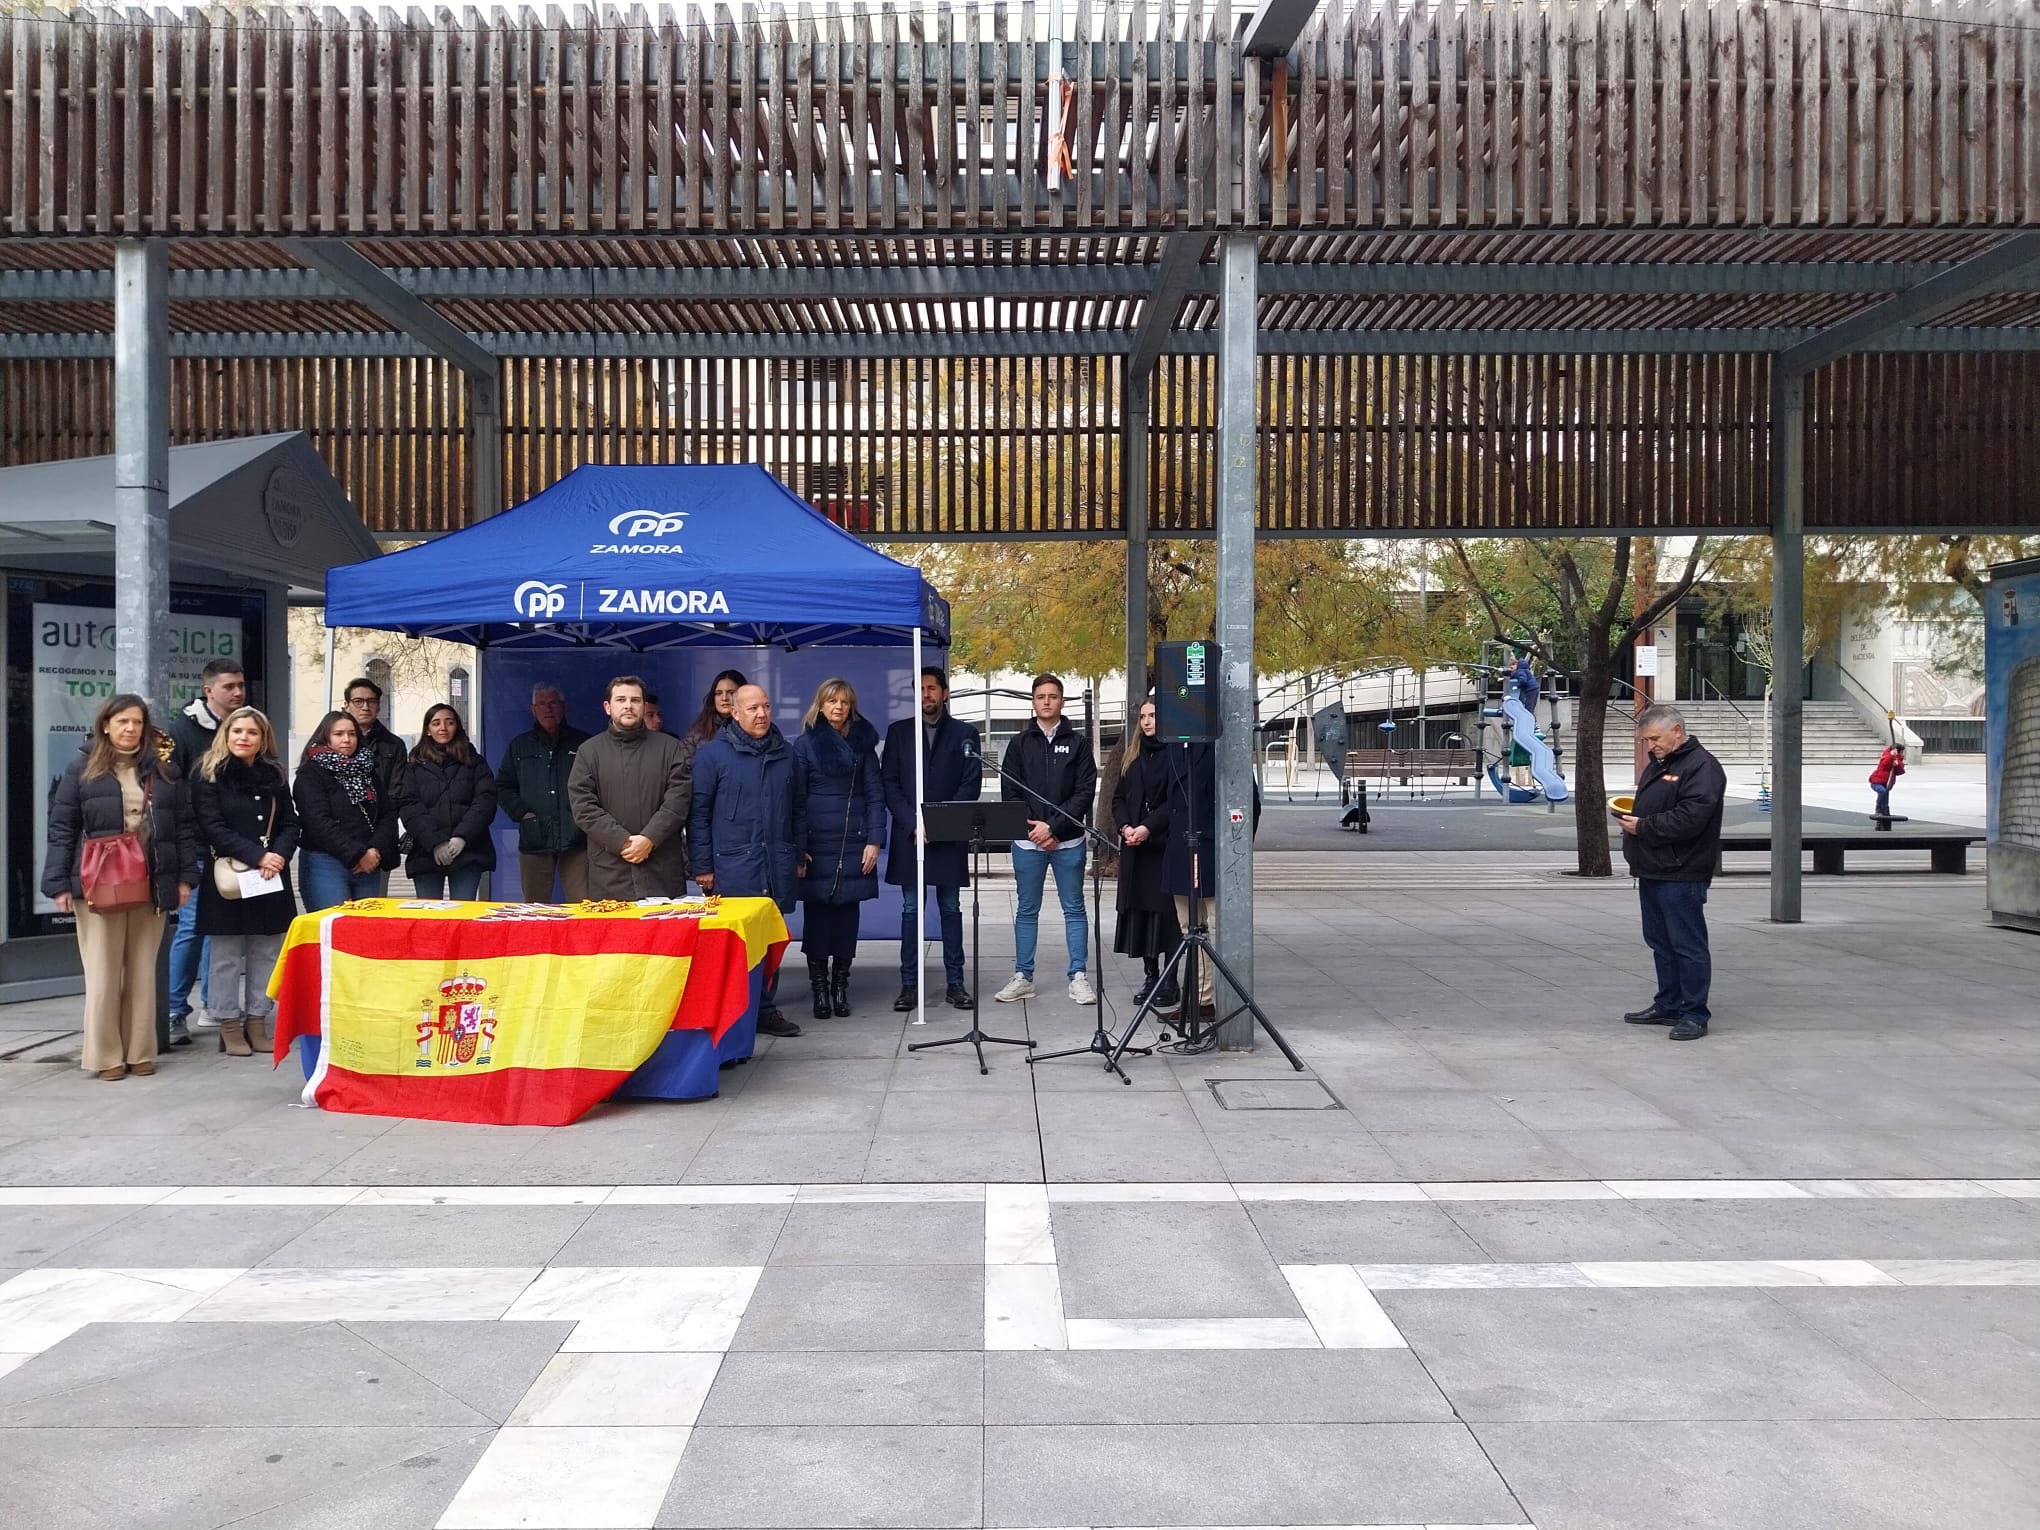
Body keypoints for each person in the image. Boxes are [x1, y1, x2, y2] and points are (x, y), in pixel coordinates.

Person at [41, 695, 199, 1080]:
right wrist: (59, 884)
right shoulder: (82, 768)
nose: (130, 729)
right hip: (97, 885)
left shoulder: (162, 770)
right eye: (122, 721)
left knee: (143, 970)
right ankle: (106, 1055)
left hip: (151, 882)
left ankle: (140, 1050)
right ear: (106, 725)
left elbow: (182, 827)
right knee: (104, 972)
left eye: (137, 722)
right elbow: (62, 829)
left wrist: (184, 878)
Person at [689, 683, 808, 1038]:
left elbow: (798, 809)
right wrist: (702, 865)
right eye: (753, 708)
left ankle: (765, 1009)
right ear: (734, 713)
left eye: (766, 707)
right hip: (733, 867)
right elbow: (698, 815)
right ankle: (739, 1013)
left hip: (777, 862)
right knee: (738, 945)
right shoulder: (712, 756)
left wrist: (798, 853)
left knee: (770, 940)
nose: (761, 714)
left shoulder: (786, 754)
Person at [189, 706, 301, 1059]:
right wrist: (257, 856)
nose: (243, 737)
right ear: (226, 734)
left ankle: (257, 1021)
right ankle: (229, 1026)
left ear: (262, 738)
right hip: (231, 876)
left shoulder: (274, 776)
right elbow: (212, 826)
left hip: (269, 876)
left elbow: (290, 823)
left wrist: (279, 855)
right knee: (225, 956)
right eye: (236, 731)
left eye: (251, 732)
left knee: (266, 952)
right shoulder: (209, 774)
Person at [1616, 703, 1727, 1042]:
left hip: (1682, 869)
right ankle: (1669, 1002)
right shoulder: (1660, 764)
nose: (1651, 745)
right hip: (1652, 866)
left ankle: (1694, 1013)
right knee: (1660, 941)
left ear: (1677, 731)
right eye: (1647, 740)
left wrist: (1644, 827)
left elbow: (1692, 817)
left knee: (1687, 944)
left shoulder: (1702, 766)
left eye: (1655, 738)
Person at [994, 674, 1098, 1008]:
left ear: (1062, 701)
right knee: (1026, 910)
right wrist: (1034, 831)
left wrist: (1052, 828)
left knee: (1074, 909)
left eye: (1053, 696)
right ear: (1033, 702)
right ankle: (1023, 976)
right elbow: (1010, 791)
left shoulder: (1079, 744)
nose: (1047, 702)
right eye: (1041, 696)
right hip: (1028, 843)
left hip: (1068, 843)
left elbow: (1084, 791)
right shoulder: (1019, 744)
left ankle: (1078, 976)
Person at [881, 666, 981, 1012]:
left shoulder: (966, 733)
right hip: (912, 839)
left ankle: (956, 983)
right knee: (911, 910)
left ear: (945, 692)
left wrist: (939, 822)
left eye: (932, 688)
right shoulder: (898, 733)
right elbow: (889, 783)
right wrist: (912, 822)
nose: (926, 695)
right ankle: (909, 985)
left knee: (950, 909)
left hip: (947, 836)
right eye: (920, 689)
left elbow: (971, 784)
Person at [791, 679, 886, 1019]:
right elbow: (797, 802)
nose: (838, 707)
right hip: (817, 845)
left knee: (847, 920)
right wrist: (799, 849)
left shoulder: (863, 746)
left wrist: (875, 840)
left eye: (844, 702)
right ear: (821, 704)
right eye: (832, 701)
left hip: (854, 844)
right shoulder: (804, 746)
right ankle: (819, 988)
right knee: (817, 920)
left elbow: (876, 794)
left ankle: (840, 986)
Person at [163, 657, 246, 1045]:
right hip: (196, 848)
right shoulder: (182, 731)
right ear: (208, 690)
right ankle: (173, 1010)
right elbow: (171, 791)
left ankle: (218, 1005)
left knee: (223, 931)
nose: (238, 692)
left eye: (240, 685)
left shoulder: (245, 728)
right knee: (193, 928)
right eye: (229, 686)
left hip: (231, 850)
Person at [568, 675, 693, 900]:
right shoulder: (588, 752)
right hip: (610, 873)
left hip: (661, 871)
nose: (628, 705)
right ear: (607, 707)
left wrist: (649, 839)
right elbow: (583, 806)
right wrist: (622, 842)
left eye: (635, 700)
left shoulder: (670, 748)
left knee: (664, 936)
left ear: (644, 706)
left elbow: (678, 800)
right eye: (621, 700)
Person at [1112, 699, 1182, 1010]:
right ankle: (1150, 975)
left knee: (1166, 917)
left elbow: (1176, 802)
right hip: (1135, 850)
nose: (1147, 722)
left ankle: (1170, 979)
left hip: (1163, 848)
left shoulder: (1176, 755)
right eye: (1143, 716)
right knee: (1141, 914)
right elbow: (1118, 798)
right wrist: (1125, 825)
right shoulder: (1133, 757)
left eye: (1153, 715)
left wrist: (1148, 828)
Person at [294, 709, 399, 910]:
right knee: (332, 930)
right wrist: (357, 854)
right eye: (339, 734)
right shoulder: (310, 773)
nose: (347, 739)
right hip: (326, 863)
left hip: (368, 863)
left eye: (352, 734)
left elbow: (386, 813)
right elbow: (318, 822)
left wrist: (375, 850)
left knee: (364, 932)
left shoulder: (367, 770)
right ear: (325, 737)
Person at [497, 682, 591, 902]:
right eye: (542, 704)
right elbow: (502, 786)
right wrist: (523, 814)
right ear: (533, 709)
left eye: (553, 703)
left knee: (584, 907)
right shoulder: (519, 746)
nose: (548, 708)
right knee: (534, 910)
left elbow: (599, 786)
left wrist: (584, 817)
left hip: (576, 839)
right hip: (535, 838)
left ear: (564, 707)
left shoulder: (584, 744)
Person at [399, 704, 498, 900]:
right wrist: (435, 842)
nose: (443, 728)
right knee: (429, 918)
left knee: (462, 915)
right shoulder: (414, 766)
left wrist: (462, 837)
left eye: (449, 722)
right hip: (426, 852)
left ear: (457, 727)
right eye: (436, 723)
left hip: (468, 850)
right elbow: (409, 805)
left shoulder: (474, 761)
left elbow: (485, 801)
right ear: (428, 729)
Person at [342, 676, 409, 817]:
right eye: (358, 701)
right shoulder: (332, 741)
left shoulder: (394, 745)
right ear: (347, 705)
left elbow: (396, 793)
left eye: (371, 701)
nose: (365, 707)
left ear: (378, 706)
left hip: (381, 824)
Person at [678, 669, 748, 770]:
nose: (724, 698)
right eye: (718, 693)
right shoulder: (698, 731)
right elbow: (683, 770)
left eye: (731, 692)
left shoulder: (753, 728)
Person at [1870, 742, 1907, 820]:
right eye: (1901, 751)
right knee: (1882, 792)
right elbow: (1884, 764)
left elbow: (1900, 771)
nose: (1902, 753)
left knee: (1885, 798)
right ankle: (1878, 809)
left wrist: (1897, 765)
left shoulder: (1898, 759)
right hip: (1877, 782)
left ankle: (1884, 811)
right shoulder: (1887, 756)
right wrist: (1891, 756)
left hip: (1887, 783)